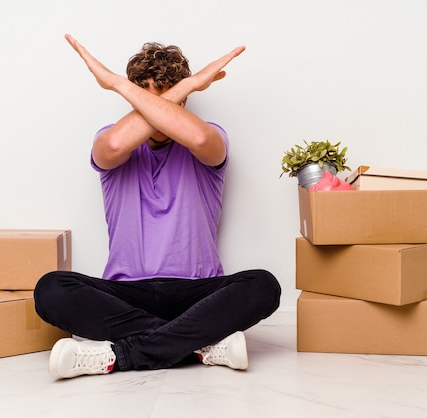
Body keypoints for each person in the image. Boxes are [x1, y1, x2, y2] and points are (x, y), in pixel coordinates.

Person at [34, 34, 281, 379]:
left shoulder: (210, 136)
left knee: (263, 285)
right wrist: (185, 86)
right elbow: (118, 143)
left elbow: (196, 139)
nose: (157, 109)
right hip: (126, 294)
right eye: (145, 98)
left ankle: (118, 356)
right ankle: (199, 344)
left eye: (168, 95)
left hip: (196, 293)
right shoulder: (111, 138)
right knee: (51, 289)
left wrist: (121, 85)